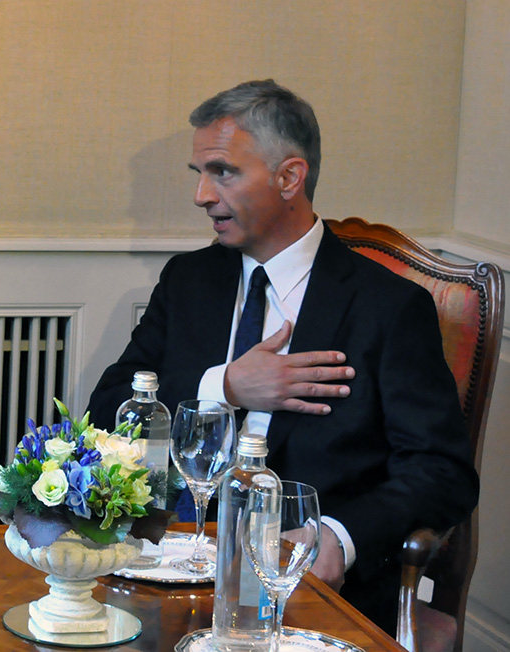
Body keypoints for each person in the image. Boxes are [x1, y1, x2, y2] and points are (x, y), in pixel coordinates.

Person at [86, 80, 478, 633]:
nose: (201, 195)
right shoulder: (188, 281)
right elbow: (105, 411)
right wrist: (224, 387)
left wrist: (337, 536)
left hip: (305, 590)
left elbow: (442, 472)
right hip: (161, 565)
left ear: (289, 177)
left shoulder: (388, 307)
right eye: (199, 174)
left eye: (222, 171)